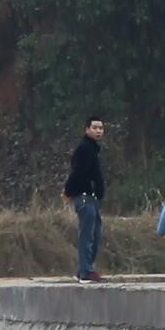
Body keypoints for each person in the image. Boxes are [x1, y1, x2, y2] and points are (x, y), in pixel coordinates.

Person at [63, 115, 106, 282]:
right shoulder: (84, 148)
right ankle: (85, 271)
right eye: (94, 128)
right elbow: (77, 172)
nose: (98, 131)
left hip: (91, 197)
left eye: (101, 128)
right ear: (87, 129)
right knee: (87, 235)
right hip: (83, 196)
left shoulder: (93, 149)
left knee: (96, 234)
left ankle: (84, 268)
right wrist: (68, 190)